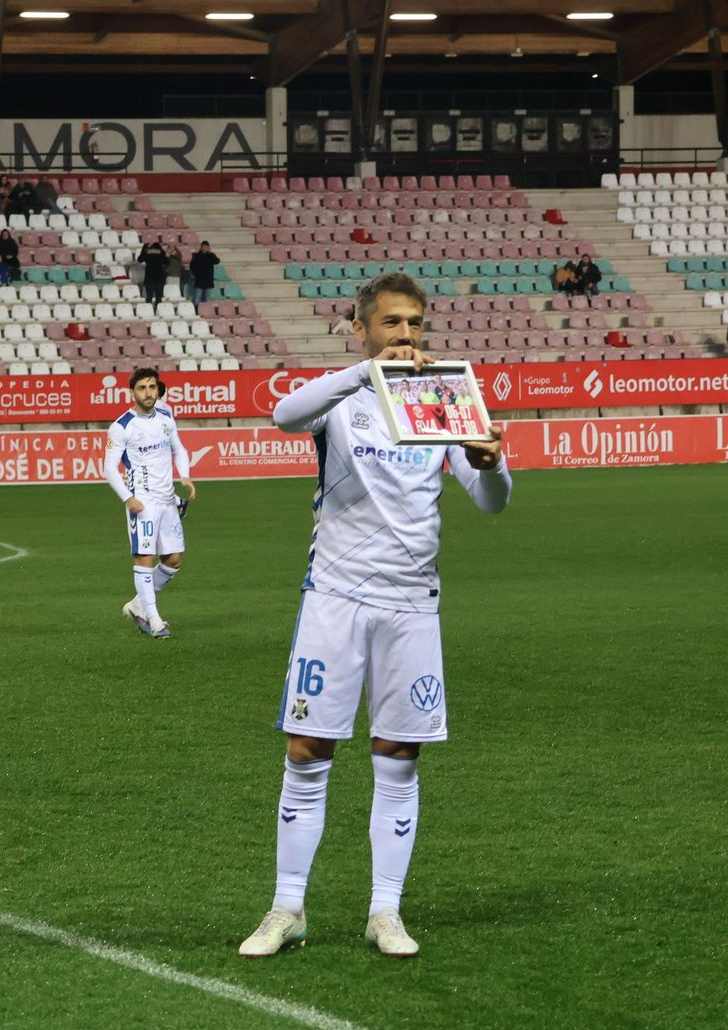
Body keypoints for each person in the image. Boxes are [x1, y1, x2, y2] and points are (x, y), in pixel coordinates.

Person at [237, 272, 510, 960]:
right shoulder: (343, 396)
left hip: (412, 603)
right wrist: (365, 373)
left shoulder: (442, 394)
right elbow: (283, 416)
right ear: (361, 329)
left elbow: (490, 498)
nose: (407, 336)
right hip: (334, 596)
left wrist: (490, 463)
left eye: (415, 324)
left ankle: (384, 913)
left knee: (399, 756)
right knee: (307, 751)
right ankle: (287, 907)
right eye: (392, 324)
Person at [107, 368, 195, 640]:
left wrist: (185, 475)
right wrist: (128, 498)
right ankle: (154, 619)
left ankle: (136, 606)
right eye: (142, 388)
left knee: (173, 561)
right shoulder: (122, 426)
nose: (148, 392)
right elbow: (109, 468)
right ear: (132, 392)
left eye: (152, 387)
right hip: (143, 502)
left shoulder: (166, 416)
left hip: (168, 499)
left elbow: (178, 448)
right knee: (144, 559)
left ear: (158, 389)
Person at [138, 240, 168, 308]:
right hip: (159, 279)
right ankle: (158, 310)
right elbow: (167, 262)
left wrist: (144, 249)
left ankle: (148, 311)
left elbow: (140, 259)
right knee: (159, 297)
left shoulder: (148, 254)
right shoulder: (161, 254)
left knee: (149, 297)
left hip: (149, 279)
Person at [189, 241, 221, 306]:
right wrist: (196, 275)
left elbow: (217, 261)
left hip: (208, 281)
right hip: (199, 281)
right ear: (201, 247)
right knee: (198, 298)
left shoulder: (211, 255)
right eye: (203, 247)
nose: (204, 248)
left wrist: (210, 254)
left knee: (207, 299)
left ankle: (207, 312)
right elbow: (192, 266)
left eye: (206, 247)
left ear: (208, 248)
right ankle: (197, 312)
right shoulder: (196, 256)